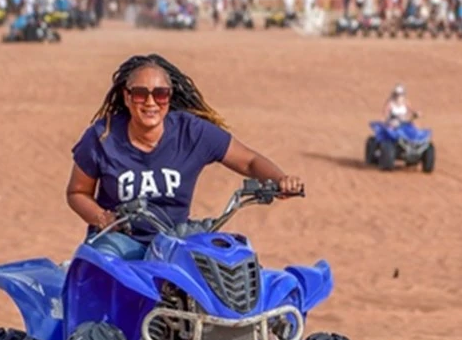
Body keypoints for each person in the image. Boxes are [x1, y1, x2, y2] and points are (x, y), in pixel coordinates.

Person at [65, 54, 303, 260]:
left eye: (160, 94)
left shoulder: (191, 132)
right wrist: (101, 218)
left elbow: (249, 161)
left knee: (228, 263)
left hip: (175, 242)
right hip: (121, 242)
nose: (150, 102)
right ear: (127, 97)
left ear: (168, 97)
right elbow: (77, 192)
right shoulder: (102, 137)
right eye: (140, 94)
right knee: (103, 268)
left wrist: (280, 180)